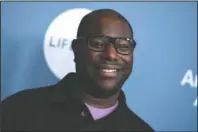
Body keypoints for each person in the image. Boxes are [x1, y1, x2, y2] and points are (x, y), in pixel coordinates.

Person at [1, 9, 154, 131]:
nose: (111, 55)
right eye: (98, 43)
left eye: (123, 46)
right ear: (76, 49)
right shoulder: (19, 109)